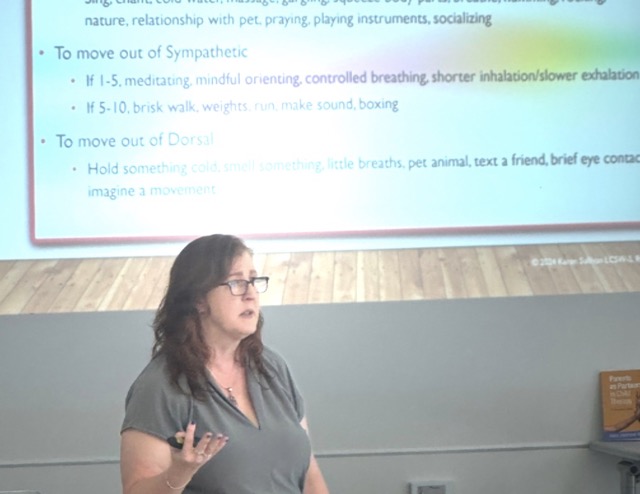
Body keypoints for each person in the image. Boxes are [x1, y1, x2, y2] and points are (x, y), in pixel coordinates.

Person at [120, 234, 330, 494]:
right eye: (236, 283)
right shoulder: (160, 386)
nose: (251, 294)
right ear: (198, 299)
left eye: (253, 280)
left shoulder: (272, 367)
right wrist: (179, 473)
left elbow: (310, 474)